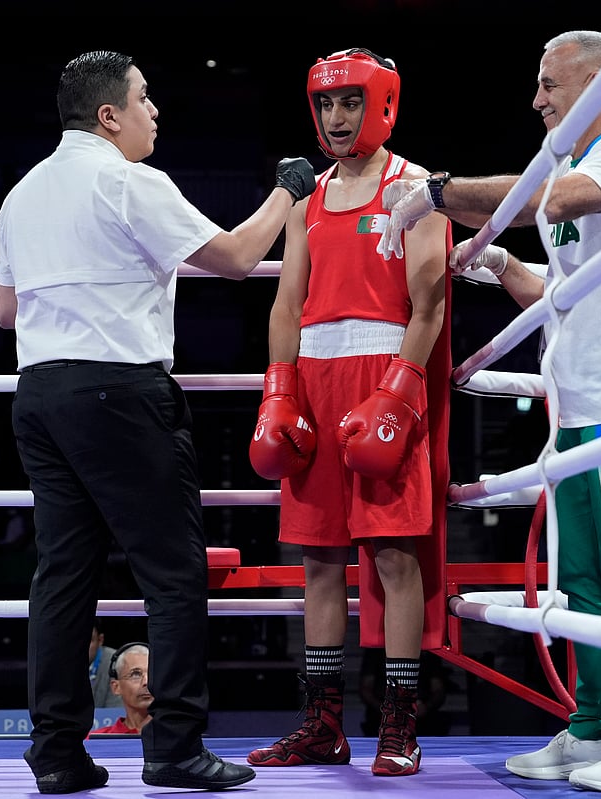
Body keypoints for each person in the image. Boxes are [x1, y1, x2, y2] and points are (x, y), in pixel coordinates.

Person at [380, 31, 601, 792]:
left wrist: (439, 190)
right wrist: (495, 261)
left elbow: (550, 198)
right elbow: (557, 290)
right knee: (584, 576)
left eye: (550, 84)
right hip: (582, 403)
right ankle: (596, 727)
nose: (537, 98)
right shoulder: (580, 164)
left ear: (597, 84)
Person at [0, 49, 317, 794]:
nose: (155, 111)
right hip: (118, 393)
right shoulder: (129, 181)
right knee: (173, 576)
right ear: (109, 115)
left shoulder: (20, 195)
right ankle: (173, 747)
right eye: (144, 99)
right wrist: (286, 191)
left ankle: (56, 754)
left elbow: (7, 312)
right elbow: (237, 258)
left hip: (39, 393)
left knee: (63, 578)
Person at [244, 48, 452, 778]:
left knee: (394, 556)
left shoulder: (417, 188)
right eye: (326, 105)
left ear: (381, 104)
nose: (335, 118)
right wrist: (279, 390)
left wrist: (399, 391)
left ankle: (398, 727)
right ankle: (321, 726)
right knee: (319, 562)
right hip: (315, 382)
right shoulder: (307, 202)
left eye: (350, 103)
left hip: (385, 377)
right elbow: (286, 305)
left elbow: (429, 305)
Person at [359, 648, 451, 737]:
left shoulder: (428, 651)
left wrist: (426, 706)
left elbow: (438, 688)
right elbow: (366, 688)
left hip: (422, 714)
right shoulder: (375, 650)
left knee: (433, 722)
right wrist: (387, 709)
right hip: (381, 713)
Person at [89, 643, 152, 735]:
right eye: (135, 674)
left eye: (151, 673)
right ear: (116, 687)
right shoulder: (96, 742)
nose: (146, 682)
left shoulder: (177, 737)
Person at [87, 620, 121, 709]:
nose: (82, 646)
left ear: (100, 640)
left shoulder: (117, 663)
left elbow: (115, 710)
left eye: (88, 640)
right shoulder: (59, 664)